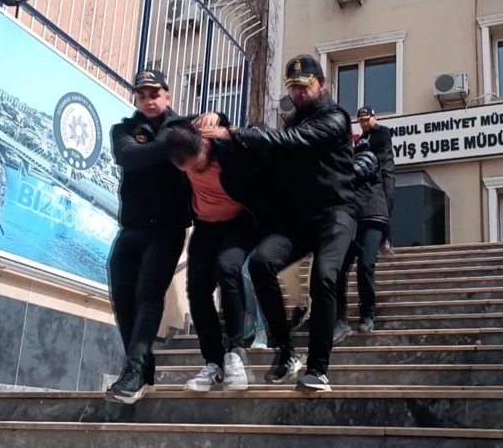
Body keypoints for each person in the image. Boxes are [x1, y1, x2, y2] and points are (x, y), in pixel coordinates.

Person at [201, 54, 357, 392]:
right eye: (293, 87)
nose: (298, 93)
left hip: (337, 214)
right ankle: (286, 352)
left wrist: (235, 133)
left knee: (323, 276)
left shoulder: (335, 119)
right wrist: (225, 144)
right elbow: (267, 157)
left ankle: (318, 369)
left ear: (322, 84)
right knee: (260, 263)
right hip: (299, 218)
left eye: (305, 85)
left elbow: (290, 142)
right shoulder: (293, 122)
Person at [105, 69, 220, 404]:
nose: (149, 100)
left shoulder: (184, 125)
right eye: (142, 95)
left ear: (167, 96)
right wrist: (169, 144)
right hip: (132, 228)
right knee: (122, 297)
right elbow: (130, 157)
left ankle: (133, 369)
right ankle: (142, 368)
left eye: (154, 94)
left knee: (148, 293)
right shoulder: (124, 130)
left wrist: (214, 118)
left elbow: (211, 134)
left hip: (168, 229)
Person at [167, 122, 260, 392]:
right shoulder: (181, 146)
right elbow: (170, 124)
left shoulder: (227, 151)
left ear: (205, 144)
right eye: (188, 170)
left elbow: (260, 137)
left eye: (197, 165)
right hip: (205, 226)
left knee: (227, 268)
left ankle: (236, 353)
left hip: (238, 223)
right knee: (197, 289)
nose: (195, 172)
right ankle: (213, 362)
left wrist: (224, 124)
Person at [334, 136, 388, 344]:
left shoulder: (366, 154)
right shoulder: (340, 161)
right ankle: (340, 319)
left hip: (371, 218)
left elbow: (358, 170)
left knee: (365, 266)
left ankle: (367, 315)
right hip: (350, 220)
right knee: (338, 269)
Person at [356, 106, 395, 253]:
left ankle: (386, 240)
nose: (364, 123)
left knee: (387, 203)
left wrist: (362, 147)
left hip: (385, 173)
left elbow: (378, 148)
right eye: (361, 121)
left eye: (366, 120)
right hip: (370, 179)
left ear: (374, 117)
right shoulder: (362, 138)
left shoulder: (383, 131)